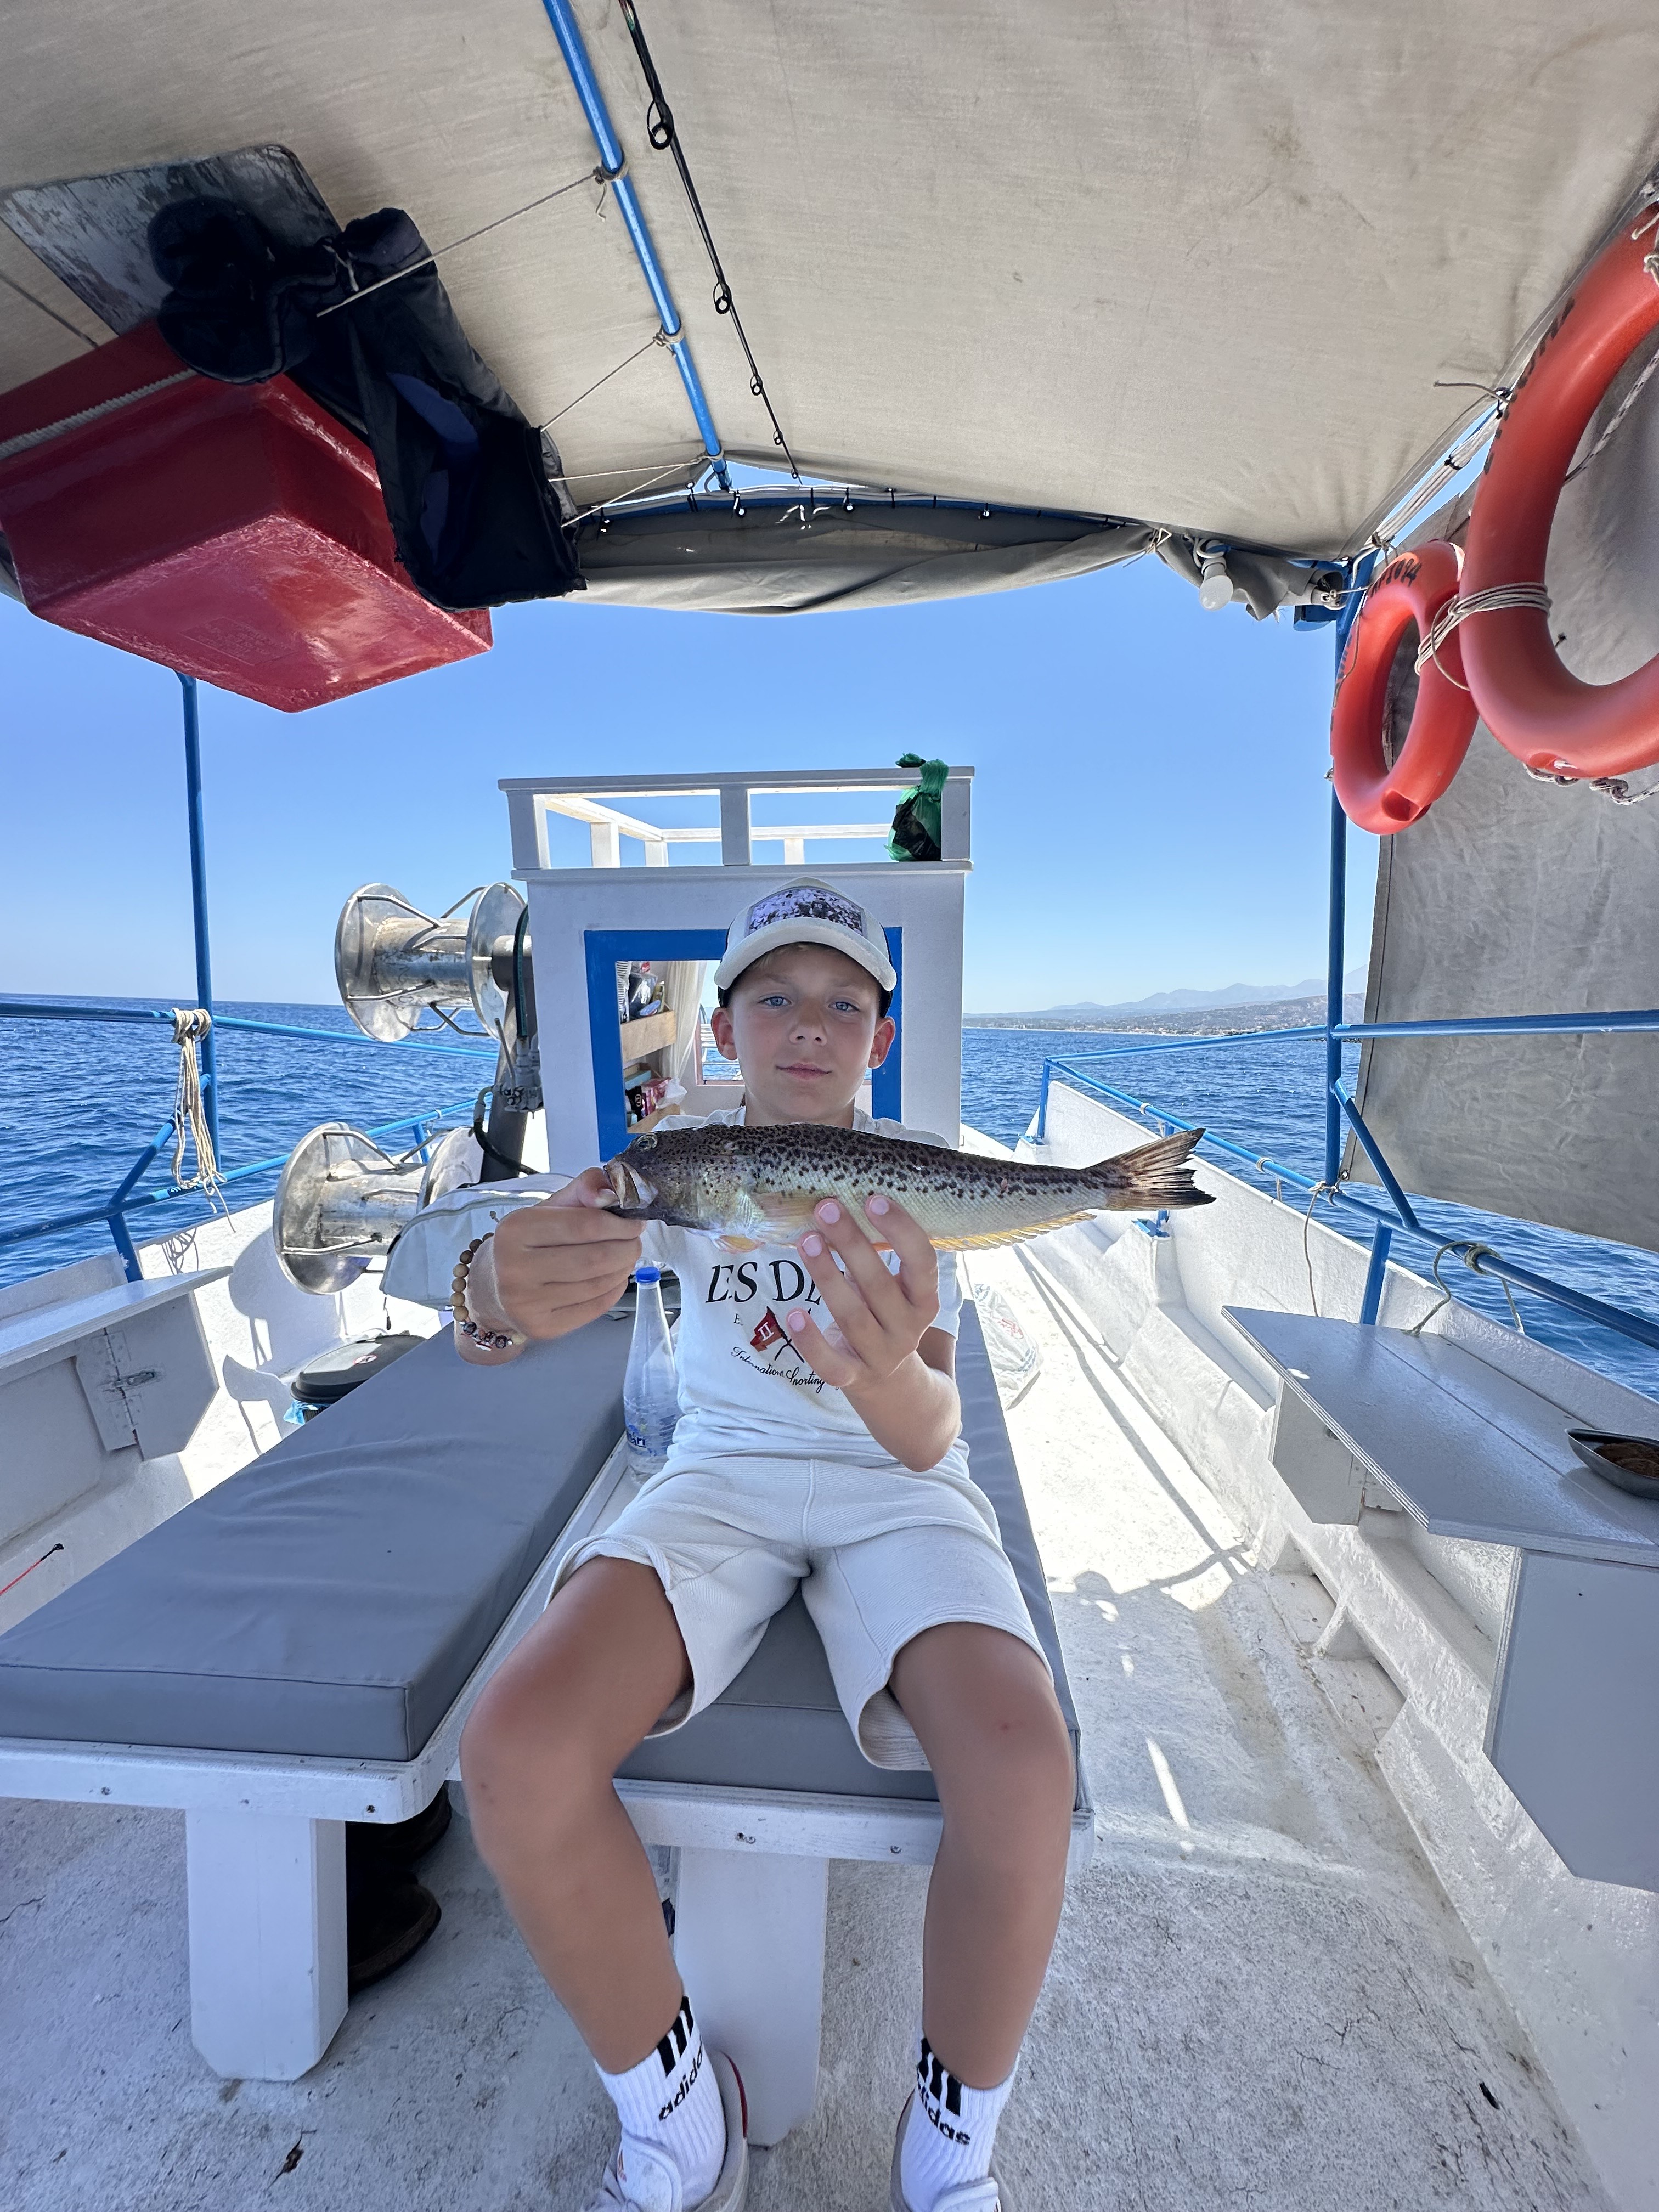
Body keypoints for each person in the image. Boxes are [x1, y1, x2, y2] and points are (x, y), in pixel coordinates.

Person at [455, 880, 1075, 2212]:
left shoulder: (920, 1178)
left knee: (1026, 1769)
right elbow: (503, 1309)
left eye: (845, 1002)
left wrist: (880, 1374)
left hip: (895, 1485)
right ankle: (674, 2106)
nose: (811, 1026)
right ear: (725, 1030)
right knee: (512, 1750)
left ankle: (956, 2147)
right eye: (776, 998)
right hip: (719, 1477)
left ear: (881, 1038)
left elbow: (929, 1434)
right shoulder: (674, 1161)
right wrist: (493, 1293)